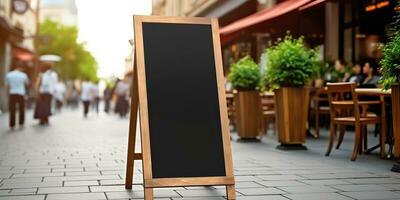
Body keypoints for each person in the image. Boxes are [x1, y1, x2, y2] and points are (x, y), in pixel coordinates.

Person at [5, 60, 29, 129]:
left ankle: (12, 125)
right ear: (21, 67)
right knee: (22, 109)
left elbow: (7, 86)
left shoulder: (9, 74)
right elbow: (27, 84)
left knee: (12, 109)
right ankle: (21, 123)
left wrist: (7, 93)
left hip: (12, 93)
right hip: (21, 93)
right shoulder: (23, 75)